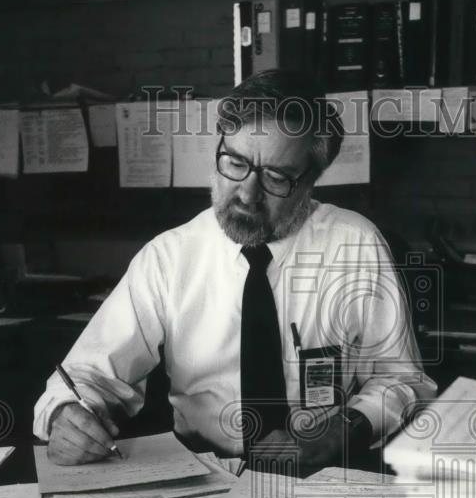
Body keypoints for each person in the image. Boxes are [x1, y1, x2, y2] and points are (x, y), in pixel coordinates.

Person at [34, 70, 436, 470]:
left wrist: (343, 430)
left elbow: (403, 380)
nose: (246, 193)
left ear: (311, 182)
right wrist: (64, 414)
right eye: (235, 163)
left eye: (276, 177)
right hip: (204, 475)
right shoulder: (169, 257)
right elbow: (86, 375)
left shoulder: (355, 244)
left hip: (325, 472)